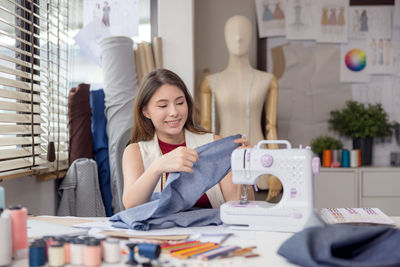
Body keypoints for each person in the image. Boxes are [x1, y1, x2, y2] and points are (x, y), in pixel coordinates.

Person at [122, 68, 251, 209]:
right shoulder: (135, 152)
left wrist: (243, 170)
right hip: (160, 231)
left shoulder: (215, 144)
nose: (174, 112)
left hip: (208, 230)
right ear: (146, 111)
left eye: (180, 103)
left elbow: (240, 206)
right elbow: (131, 205)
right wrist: (157, 167)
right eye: (163, 105)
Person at [200, 15, 282, 202]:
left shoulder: (267, 80)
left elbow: (271, 126)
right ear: (225, 37)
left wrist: (277, 170)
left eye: (243, 33)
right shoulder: (210, 82)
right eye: (232, 33)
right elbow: (205, 128)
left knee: (260, 218)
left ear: (251, 36)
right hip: (222, 158)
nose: (238, 38)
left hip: (260, 155)